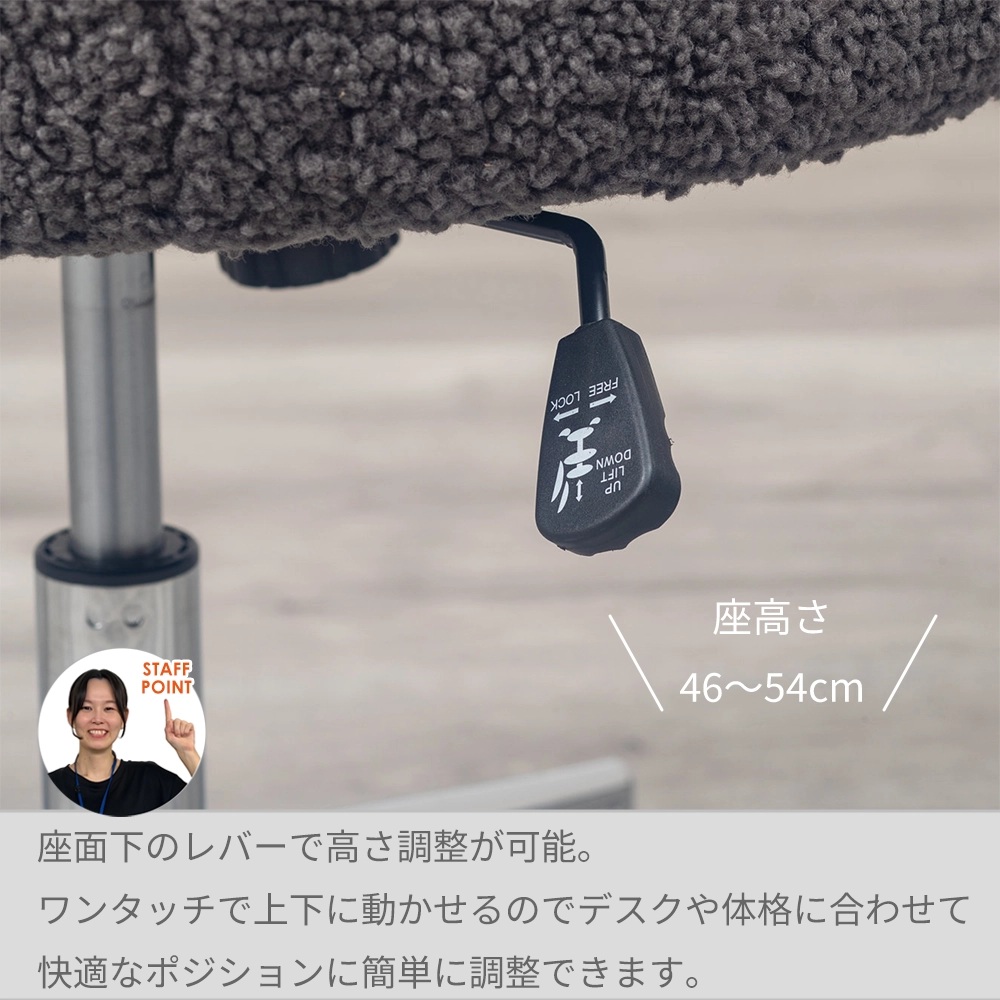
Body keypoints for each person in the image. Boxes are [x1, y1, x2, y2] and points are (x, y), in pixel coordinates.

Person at [47, 668, 200, 816]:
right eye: (86, 708)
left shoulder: (152, 781)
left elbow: (208, 812)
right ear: (70, 716)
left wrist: (188, 752)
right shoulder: (50, 785)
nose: (98, 719)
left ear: (124, 717)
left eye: (108, 708)